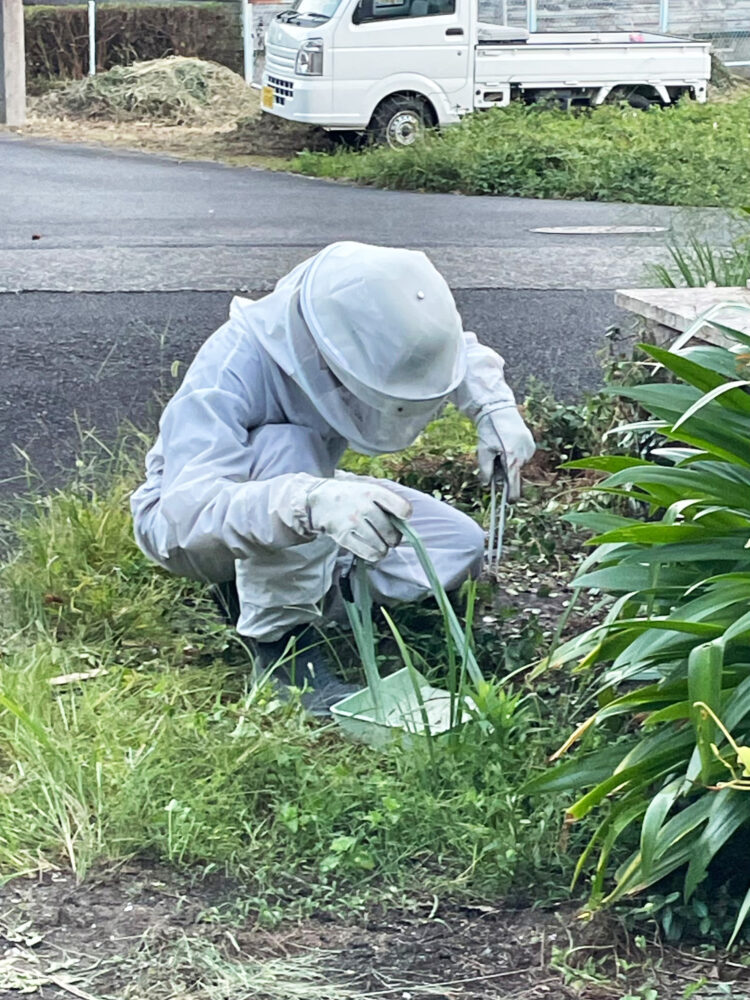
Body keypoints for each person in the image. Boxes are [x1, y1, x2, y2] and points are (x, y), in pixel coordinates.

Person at [131, 242, 535, 712]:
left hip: (307, 489)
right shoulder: (231, 368)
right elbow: (184, 514)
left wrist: (494, 408)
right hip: (195, 524)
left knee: (458, 545)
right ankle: (284, 653)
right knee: (287, 445)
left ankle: (282, 587)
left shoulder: (350, 320)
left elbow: (444, 347)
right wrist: (311, 503)